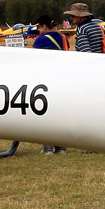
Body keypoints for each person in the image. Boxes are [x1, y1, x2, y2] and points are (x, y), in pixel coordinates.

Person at [30, 18, 68, 154]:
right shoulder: (64, 38)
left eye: (39, 27)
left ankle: (48, 148)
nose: (39, 31)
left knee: (45, 114)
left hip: (45, 80)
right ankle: (62, 147)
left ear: (44, 27)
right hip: (61, 79)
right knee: (60, 114)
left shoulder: (40, 40)